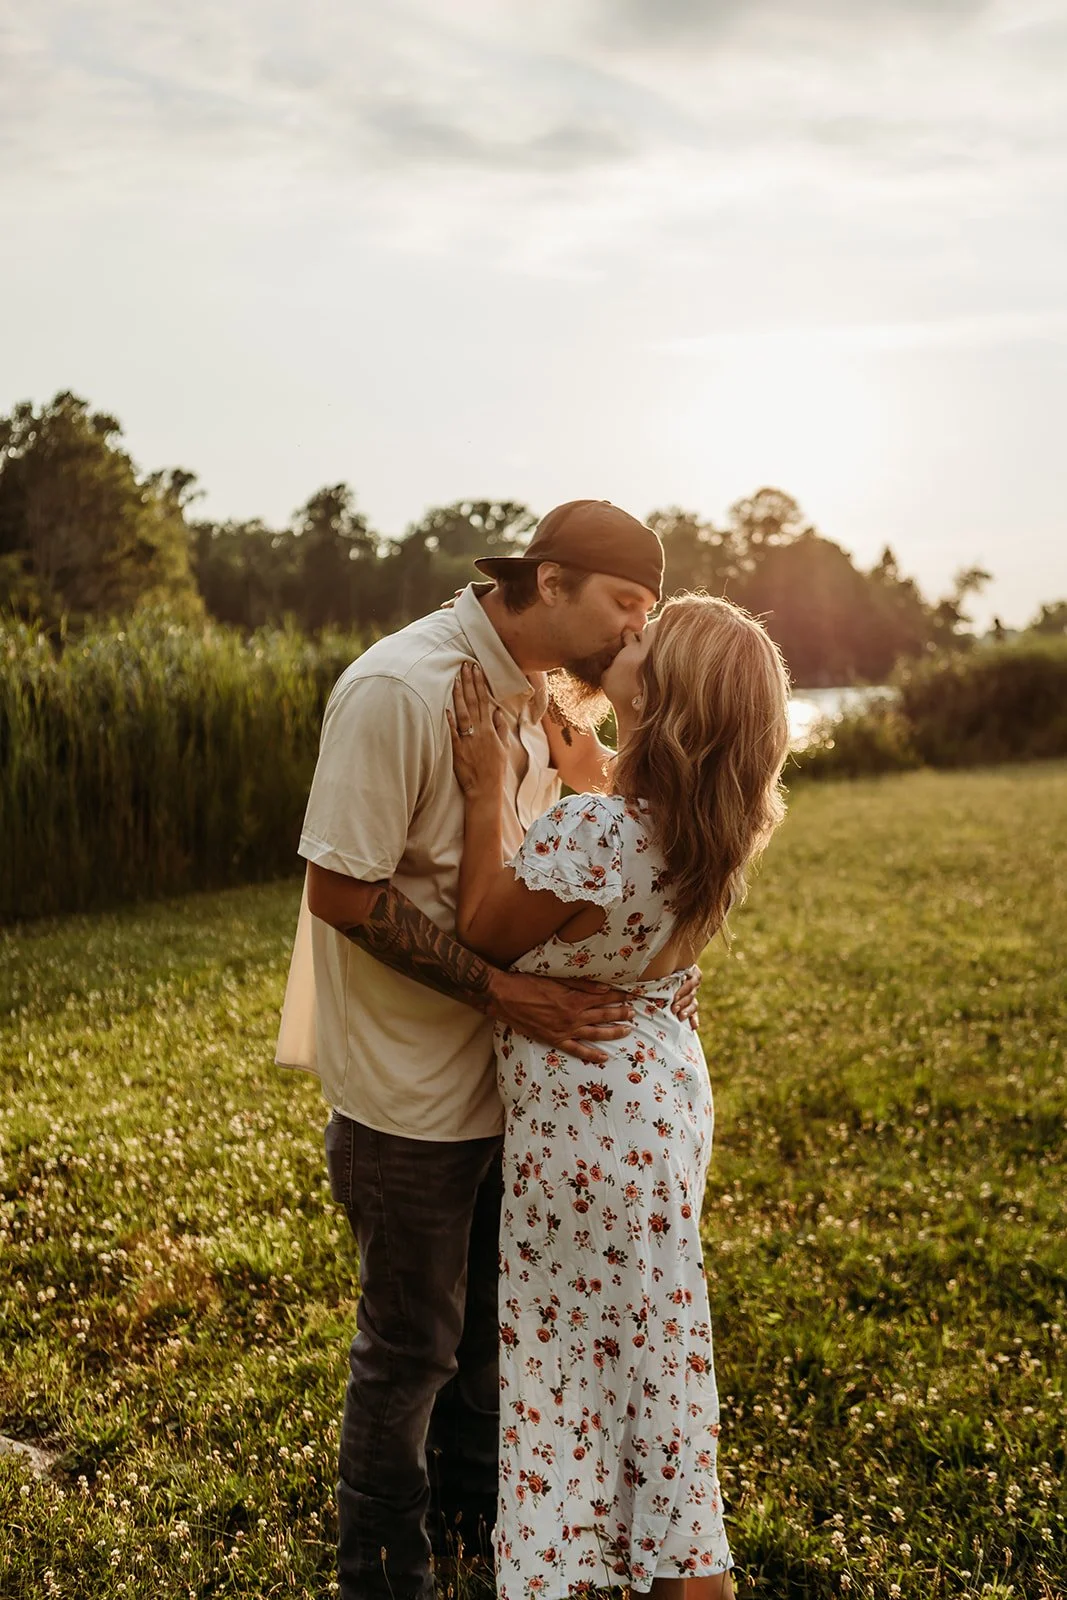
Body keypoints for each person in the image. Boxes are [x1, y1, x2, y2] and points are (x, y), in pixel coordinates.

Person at [274, 500, 702, 1600]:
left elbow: (566, 874)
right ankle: (382, 1571)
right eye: (623, 603)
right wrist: (498, 990)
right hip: (412, 1090)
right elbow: (341, 891)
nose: (630, 629)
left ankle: (475, 1528)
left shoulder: (538, 699)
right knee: (408, 1349)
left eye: (646, 612)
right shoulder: (399, 690)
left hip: (518, 1088)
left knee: (487, 1341)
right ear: (549, 581)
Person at [446, 592, 791, 1600]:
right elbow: (625, 884)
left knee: (563, 1371)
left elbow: (482, 927)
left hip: (586, 1124)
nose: (621, 640)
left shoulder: (594, 832)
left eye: (643, 642)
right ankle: (678, 1563)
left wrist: (486, 787)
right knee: (658, 1360)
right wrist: (593, 763)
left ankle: (571, 1569)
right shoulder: (709, 827)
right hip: (661, 1098)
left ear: (667, 698)